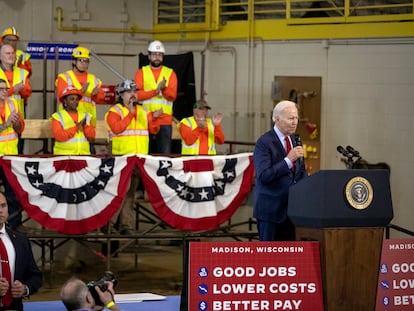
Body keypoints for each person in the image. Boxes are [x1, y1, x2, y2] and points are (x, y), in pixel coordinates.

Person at [104, 80, 161, 234]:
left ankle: (126, 226)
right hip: (122, 158)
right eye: (129, 92)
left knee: (130, 194)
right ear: (121, 95)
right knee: (120, 192)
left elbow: (154, 130)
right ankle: (109, 225)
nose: (133, 95)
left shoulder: (142, 110)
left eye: (134, 92)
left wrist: (155, 119)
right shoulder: (114, 111)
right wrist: (129, 114)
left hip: (138, 159)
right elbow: (116, 129)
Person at [253, 100, 307, 241]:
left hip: (292, 212)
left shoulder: (295, 140)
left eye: (296, 118)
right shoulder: (264, 142)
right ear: (277, 119)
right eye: (290, 118)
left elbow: (300, 173)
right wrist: (288, 161)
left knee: (289, 259)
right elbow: (264, 176)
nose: (295, 122)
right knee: (269, 259)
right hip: (270, 213)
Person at [0, 191, 43, 311]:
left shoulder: (20, 240)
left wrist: (24, 288)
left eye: (3, 206)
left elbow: (35, 276)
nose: (0, 210)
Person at [134, 40, 177, 154]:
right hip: (146, 118)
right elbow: (137, 96)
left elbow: (172, 96)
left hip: (164, 120)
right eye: (154, 54)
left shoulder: (170, 73)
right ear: (149, 56)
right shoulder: (141, 72)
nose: (157, 57)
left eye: (160, 54)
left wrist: (163, 89)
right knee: (143, 152)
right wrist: (156, 91)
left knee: (164, 155)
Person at [55, 46, 105, 128]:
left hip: (88, 122)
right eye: (81, 60)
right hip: (68, 121)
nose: (84, 63)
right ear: (74, 61)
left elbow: (100, 99)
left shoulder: (94, 79)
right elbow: (61, 97)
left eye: (86, 61)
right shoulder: (64, 78)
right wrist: (80, 92)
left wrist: (95, 95)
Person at [0, 78, 26, 230]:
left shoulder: (13, 103)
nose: (5, 91)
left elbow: (20, 129)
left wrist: (16, 124)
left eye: (6, 88)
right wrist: (6, 124)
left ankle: (14, 225)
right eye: (2, 89)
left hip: (10, 156)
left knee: (13, 192)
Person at [51, 86, 96, 155]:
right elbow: (59, 136)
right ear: (65, 101)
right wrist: (76, 128)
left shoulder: (85, 115)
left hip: (83, 155)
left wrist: (85, 126)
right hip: (63, 156)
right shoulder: (57, 117)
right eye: (72, 99)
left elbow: (92, 137)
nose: (75, 102)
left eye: (77, 99)